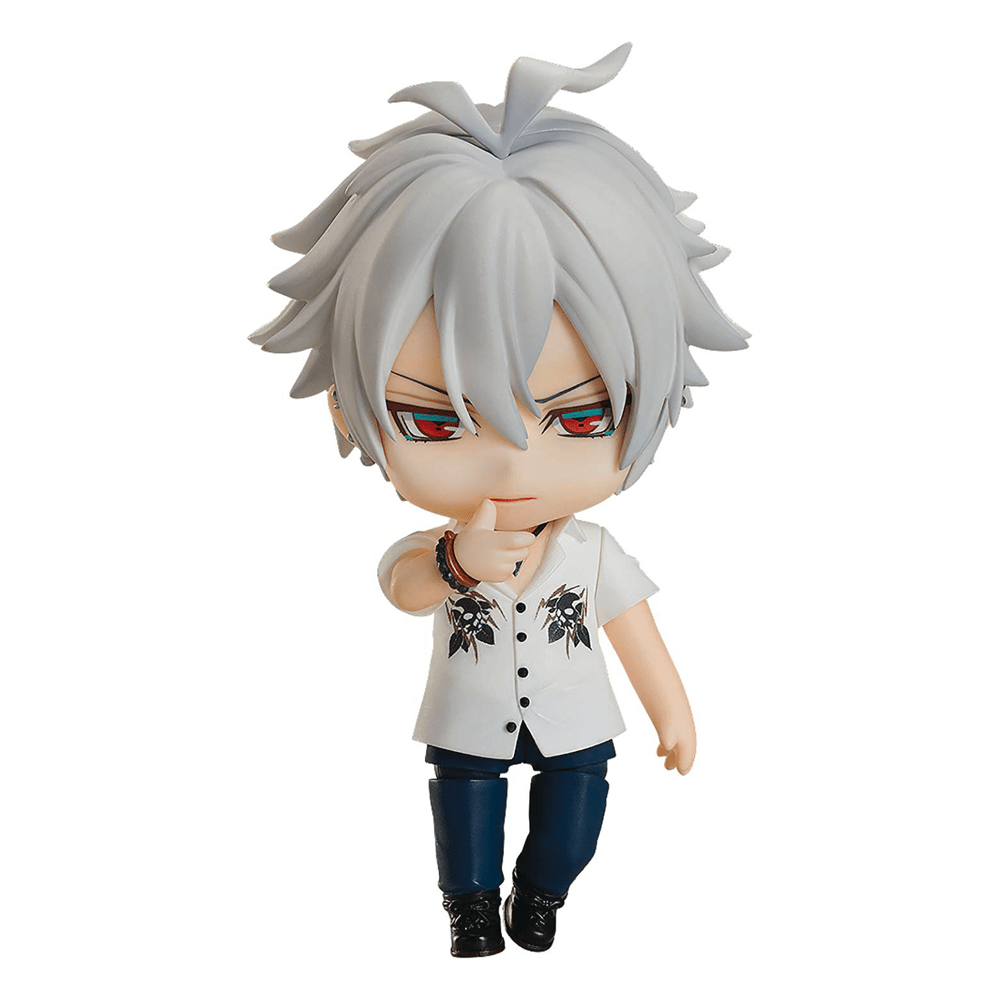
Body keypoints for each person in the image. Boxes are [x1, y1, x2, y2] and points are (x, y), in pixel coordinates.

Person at [251, 43, 749, 957]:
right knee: (465, 816)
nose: (514, 460)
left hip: (577, 719)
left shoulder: (593, 553)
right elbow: (403, 587)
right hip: (470, 718)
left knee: (577, 816)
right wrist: (456, 562)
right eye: (436, 421)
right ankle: (470, 905)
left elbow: (636, 632)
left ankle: (544, 890)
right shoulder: (436, 545)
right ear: (347, 406)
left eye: (583, 415)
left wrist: (672, 710)